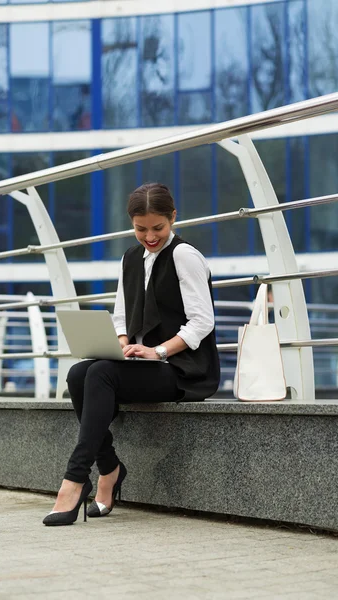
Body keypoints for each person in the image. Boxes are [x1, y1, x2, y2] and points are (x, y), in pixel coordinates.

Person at [43, 182, 221, 526]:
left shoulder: (185, 256)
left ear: (173, 218)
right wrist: (123, 343)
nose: (149, 236)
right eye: (141, 229)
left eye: (158, 228)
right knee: (79, 373)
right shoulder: (131, 257)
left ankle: (75, 479)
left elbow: (203, 321)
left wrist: (158, 351)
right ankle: (109, 469)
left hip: (182, 369)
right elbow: (122, 316)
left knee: (98, 373)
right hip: (143, 362)